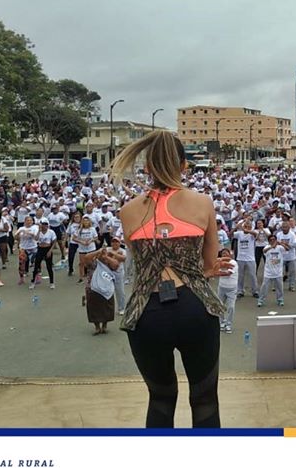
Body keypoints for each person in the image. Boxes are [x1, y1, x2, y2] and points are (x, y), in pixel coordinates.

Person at [113, 130, 231, 429]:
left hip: (147, 313)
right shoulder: (202, 203)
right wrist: (204, 271)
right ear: (184, 165)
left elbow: (142, 265)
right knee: (205, 399)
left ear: (147, 167)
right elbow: (208, 264)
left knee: (160, 399)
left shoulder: (127, 211)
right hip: (194, 309)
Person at [79, 245, 119, 335]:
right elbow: (86, 258)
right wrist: (98, 252)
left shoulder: (108, 264)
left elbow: (116, 265)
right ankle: (97, 327)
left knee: (107, 307)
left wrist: (106, 257)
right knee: (93, 308)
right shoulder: (93, 263)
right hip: (93, 288)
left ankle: (104, 325)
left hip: (107, 288)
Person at [257, 234, 285, 307]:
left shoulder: (280, 248)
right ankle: (261, 300)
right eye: (271, 240)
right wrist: (272, 246)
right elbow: (264, 251)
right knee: (264, 287)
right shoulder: (267, 247)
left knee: (279, 287)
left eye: (274, 239)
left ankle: (280, 299)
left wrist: (281, 243)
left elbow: (288, 249)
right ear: (269, 241)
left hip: (278, 272)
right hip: (268, 272)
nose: (272, 241)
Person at [30, 220, 57, 290]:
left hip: (47, 248)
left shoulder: (51, 232)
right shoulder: (39, 232)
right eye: (43, 225)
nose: (44, 226)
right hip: (40, 249)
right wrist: (39, 231)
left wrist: (50, 251)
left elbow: (54, 241)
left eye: (46, 225)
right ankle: (33, 282)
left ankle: (51, 282)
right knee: (36, 265)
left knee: (49, 266)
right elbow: (36, 239)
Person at [216, 248, 238, 333]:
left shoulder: (233, 263)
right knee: (220, 306)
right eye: (223, 253)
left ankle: (229, 324)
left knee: (231, 307)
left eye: (226, 253)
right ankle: (222, 322)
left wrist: (216, 273)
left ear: (230, 254)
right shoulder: (219, 263)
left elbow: (228, 273)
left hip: (232, 289)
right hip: (221, 288)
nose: (224, 255)